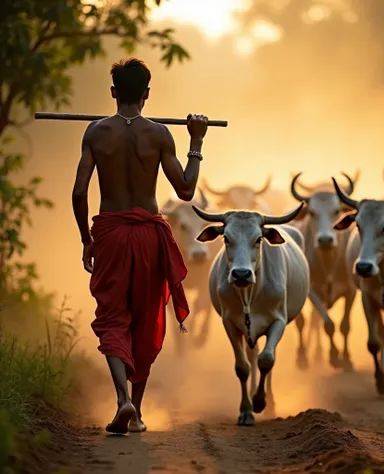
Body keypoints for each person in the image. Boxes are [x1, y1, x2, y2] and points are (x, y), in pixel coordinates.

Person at [71, 57, 208, 434]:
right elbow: (185, 190)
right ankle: (139, 412)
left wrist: (87, 238)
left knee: (113, 317)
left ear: (113, 92)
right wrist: (196, 140)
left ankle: (123, 400)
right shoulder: (161, 135)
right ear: (147, 94)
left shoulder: (96, 133)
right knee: (146, 318)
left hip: (111, 233)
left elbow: (80, 191)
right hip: (149, 235)